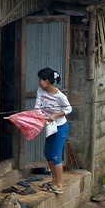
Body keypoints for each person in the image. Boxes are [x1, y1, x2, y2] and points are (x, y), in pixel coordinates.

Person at [35, 67, 72, 195]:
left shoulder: (59, 96)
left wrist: (55, 115)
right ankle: (54, 179)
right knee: (48, 153)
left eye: (40, 80)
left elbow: (68, 109)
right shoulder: (41, 90)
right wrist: (36, 115)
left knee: (56, 155)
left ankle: (59, 185)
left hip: (60, 126)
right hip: (50, 126)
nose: (39, 82)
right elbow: (37, 106)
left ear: (47, 81)